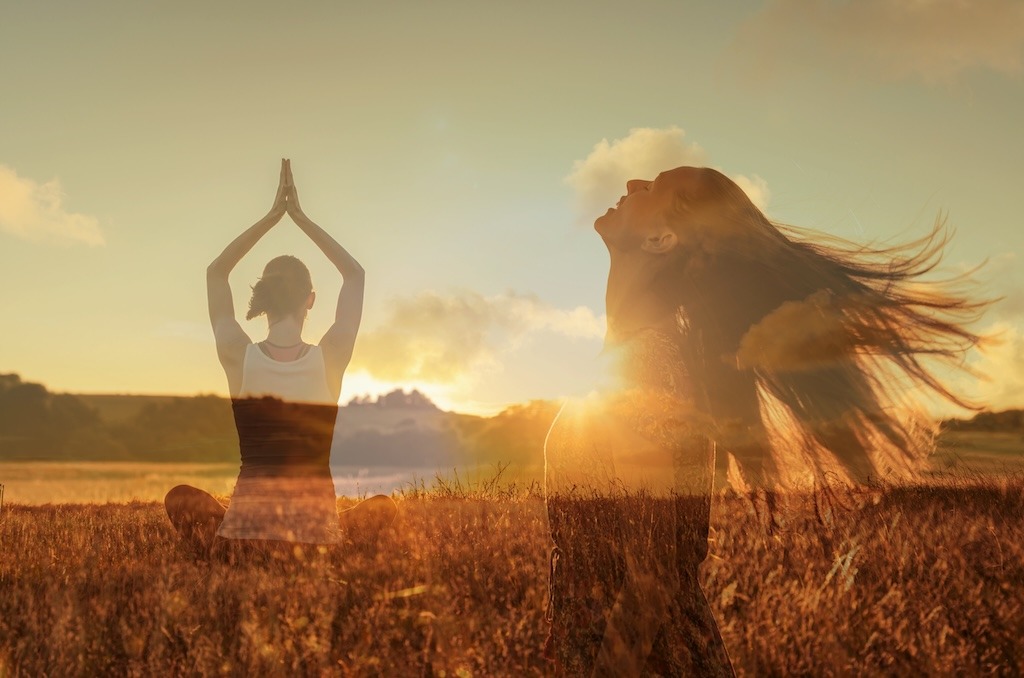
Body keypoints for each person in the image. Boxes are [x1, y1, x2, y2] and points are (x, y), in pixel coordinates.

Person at [543, 166, 987, 675]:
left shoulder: (646, 370)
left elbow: (652, 585)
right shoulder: (634, 361)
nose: (631, 185)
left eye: (654, 189)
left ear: (662, 239)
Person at [165, 159, 396, 562]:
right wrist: (300, 217)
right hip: (318, 546)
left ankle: (220, 552)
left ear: (262, 298)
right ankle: (332, 542)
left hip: (242, 546)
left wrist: (272, 217)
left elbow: (217, 273)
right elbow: (355, 275)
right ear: (310, 300)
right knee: (381, 507)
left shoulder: (239, 356)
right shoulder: (331, 359)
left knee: (179, 498)